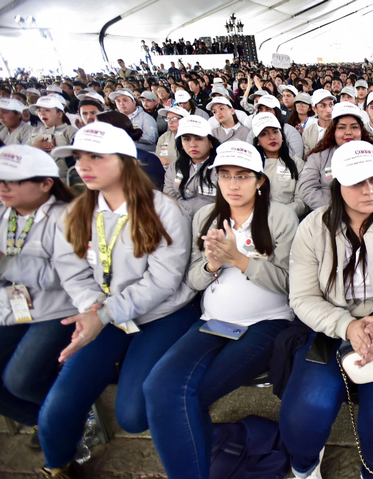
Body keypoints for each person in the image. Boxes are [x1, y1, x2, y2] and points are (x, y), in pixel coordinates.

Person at [41, 122, 197, 478]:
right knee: (59, 405)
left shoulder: (163, 210)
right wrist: (93, 307)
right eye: (79, 157)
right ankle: (57, 466)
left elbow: (163, 281)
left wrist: (106, 312)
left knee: (133, 413)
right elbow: (73, 272)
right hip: (104, 312)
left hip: (162, 313)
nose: (83, 165)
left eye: (96, 156)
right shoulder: (77, 210)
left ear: (126, 161)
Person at [144, 141, 298, 479]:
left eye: (242, 176)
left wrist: (239, 260)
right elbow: (195, 280)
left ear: (260, 180)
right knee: (157, 386)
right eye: (225, 176)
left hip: (267, 322)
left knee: (189, 396)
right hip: (213, 320)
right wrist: (212, 264)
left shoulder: (281, 217)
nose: (232, 184)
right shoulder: (206, 216)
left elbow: (291, 283)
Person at [280, 141, 373, 479]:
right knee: (304, 413)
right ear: (337, 184)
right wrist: (347, 326)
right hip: (331, 328)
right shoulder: (314, 228)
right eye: (358, 182)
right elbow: (302, 296)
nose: (369, 190)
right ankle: (305, 465)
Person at [0, 145, 77, 436]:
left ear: (46, 184)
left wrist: (6, 263)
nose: (4, 187)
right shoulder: (4, 214)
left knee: (20, 379)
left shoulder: (67, 217)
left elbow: (65, 276)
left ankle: (64, 420)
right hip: (11, 308)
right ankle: (47, 422)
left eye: (15, 180)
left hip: (58, 309)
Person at [299, 102, 373, 211]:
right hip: (329, 214)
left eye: (354, 127)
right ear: (333, 131)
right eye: (341, 127)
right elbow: (307, 189)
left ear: (361, 130)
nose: (348, 132)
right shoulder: (318, 156)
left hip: (368, 213)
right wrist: (339, 210)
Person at [251, 112, 308, 218]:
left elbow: (302, 202)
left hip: (288, 220)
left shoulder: (297, 164)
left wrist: (279, 214)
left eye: (276, 132)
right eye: (264, 133)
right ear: (257, 141)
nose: (272, 137)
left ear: (282, 136)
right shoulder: (251, 166)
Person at [163, 116, 220, 218]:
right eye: (186, 139)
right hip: (178, 219)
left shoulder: (221, 167)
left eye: (198, 138)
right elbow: (169, 197)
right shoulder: (176, 165)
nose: (192, 144)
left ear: (210, 142)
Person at [25, 97, 78, 175]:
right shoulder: (35, 131)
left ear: (60, 114)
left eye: (47, 110)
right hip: (38, 176)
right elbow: (24, 154)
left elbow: (76, 157)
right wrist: (35, 147)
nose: (42, 113)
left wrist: (57, 152)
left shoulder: (70, 131)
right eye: (39, 110)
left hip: (63, 177)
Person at [302, 89, 334, 157]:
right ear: (314, 109)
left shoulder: (340, 129)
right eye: (323, 106)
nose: (328, 110)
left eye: (331, 105)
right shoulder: (308, 133)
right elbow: (307, 157)